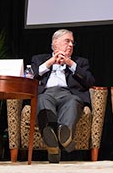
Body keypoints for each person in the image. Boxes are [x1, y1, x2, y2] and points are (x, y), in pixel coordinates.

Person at [32, 29, 95, 163]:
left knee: (73, 103)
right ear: (55, 43)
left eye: (72, 42)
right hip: (46, 93)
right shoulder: (39, 59)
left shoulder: (80, 62)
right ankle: (63, 142)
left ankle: (55, 144)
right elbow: (31, 76)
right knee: (42, 100)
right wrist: (50, 62)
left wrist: (70, 64)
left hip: (69, 95)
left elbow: (90, 81)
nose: (71, 45)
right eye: (67, 41)